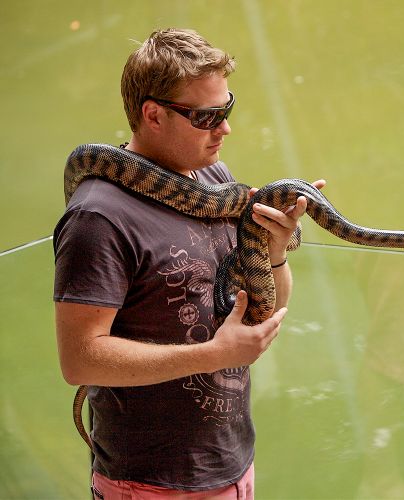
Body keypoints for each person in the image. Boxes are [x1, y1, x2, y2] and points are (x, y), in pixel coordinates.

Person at [53, 28, 324, 498]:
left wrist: (276, 251)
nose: (224, 129)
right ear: (153, 115)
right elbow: (79, 360)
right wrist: (216, 354)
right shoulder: (98, 217)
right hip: (152, 483)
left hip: (230, 464)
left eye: (226, 109)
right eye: (206, 117)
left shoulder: (212, 178)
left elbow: (266, 306)